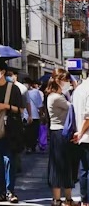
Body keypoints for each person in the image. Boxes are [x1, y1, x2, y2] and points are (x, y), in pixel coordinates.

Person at [0, 60, 24, 203]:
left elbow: (20, 109)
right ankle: (1, 191)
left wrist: (6, 106)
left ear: (3, 72)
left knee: (9, 160)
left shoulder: (13, 89)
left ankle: (10, 191)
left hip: (10, 131)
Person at [46, 69, 76, 206]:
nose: (68, 83)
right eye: (66, 80)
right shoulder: (56, 97)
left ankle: (67, 199)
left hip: (60, 133)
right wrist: (75, 89)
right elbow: (73, 108)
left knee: (66, 165)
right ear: (58, 81)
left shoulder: (58, 95)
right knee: (59, 167)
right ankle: (58, 200)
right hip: (60, 133)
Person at [73, 73, 89, 206]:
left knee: (84, 170)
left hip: (80, 136)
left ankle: (84, 200)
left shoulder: (78, 89)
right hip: (85, 134)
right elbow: (88, 117)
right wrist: (82, 132)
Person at [26, 80, 44, 153]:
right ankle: (31, 146)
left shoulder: (36, 92)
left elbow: (40, 105)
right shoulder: (36, 92)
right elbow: (40, 105)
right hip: (30, 115)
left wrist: (41, 114)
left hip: (32, 115)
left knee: (30, 132)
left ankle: (30, 146)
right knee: (32, 132)